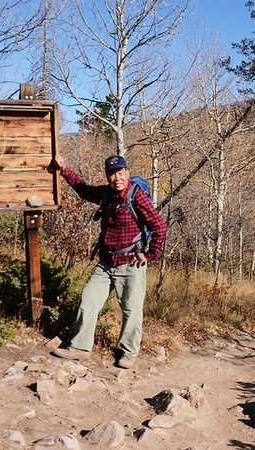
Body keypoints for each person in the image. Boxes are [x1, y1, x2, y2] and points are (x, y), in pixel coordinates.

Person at [50, 154, 168, 369]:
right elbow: (83, 189)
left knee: (131, 310)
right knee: (88, 300)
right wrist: (64, 169)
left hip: (131, 263)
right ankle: (80, 348)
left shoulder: (136, 196)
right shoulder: (106, 194)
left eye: (120, 173)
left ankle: (129, 352)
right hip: (106, 263)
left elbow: (160, 225)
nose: (117, 178)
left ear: (127, 173)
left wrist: (149, 254)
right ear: (107, 176)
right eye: (112, 174)